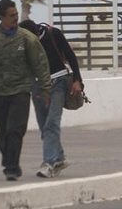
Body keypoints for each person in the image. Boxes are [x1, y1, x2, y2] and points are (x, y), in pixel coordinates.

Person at [0, 0, 51, 181]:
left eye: (16, 15)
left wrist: (46, 88)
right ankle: (9, 161)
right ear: (1, 17)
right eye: (11, 16)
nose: (15, 18)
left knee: (15, 130)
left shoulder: (26, 38)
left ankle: (12, 168)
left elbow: (40, 63)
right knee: (1, 133)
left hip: (21, 91)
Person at [19, 19, 83, 178]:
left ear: (35, 33)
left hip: (59, 82)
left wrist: (77, 80)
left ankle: (48, 163)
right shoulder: (23, 43)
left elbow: (70, 55)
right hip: (38, 87)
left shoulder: (53, 34)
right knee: (44, 127)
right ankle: (59, 159)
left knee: (52, 123)